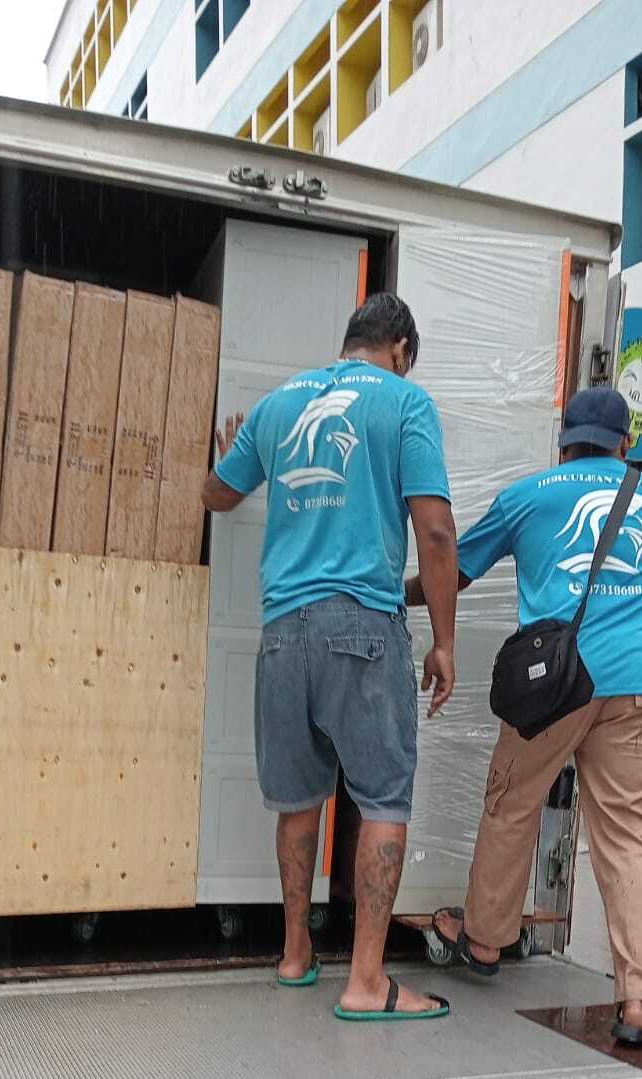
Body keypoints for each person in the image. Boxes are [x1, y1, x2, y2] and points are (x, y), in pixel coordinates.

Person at [200, 292, 459, 1022]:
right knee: (382, 800)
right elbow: (436, 534)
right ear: (401, 348)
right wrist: (443, 640)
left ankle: (293, 954)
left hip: (283, 633)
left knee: (297, 800)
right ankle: (367, 981)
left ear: (350, 341)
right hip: (362, 627)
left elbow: (216, 495)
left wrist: (228, 454)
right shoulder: (405, 402)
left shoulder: (280, 405)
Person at [406, 386, 642, 1046]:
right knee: (633, 837)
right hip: (641, 683)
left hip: (556, 684)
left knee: (512, 804)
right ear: (624, 444)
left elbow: (451, 572)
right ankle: (639, 1002)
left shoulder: (529, 495)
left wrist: (387, 593)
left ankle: (487, 941)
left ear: (565, 439)